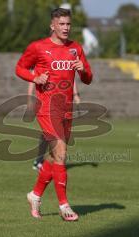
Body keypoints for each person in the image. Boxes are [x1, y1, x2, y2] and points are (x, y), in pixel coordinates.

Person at [15, 8, 92, 221]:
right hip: (47, 108)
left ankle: (35, 194)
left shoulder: (75, 48)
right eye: (62, 24)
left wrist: (83, 69)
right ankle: (64, 205)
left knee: (53, 156)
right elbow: (20, 68)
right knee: (61, 152)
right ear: (53, 25)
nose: (66, 28)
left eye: (68, 24)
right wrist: (35, 78)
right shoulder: (38, 47)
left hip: (66, 109)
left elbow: (88, 78)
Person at [27, 80, 81, 171]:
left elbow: (71, 78)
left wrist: (75, 95)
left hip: (60, 103)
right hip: (45, 104)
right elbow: (32, 80)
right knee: (49, 133)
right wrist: (29, 99)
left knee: (54, 133)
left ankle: (47, 161)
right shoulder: (41, 67)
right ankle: (41, 161)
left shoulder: (62, 67)